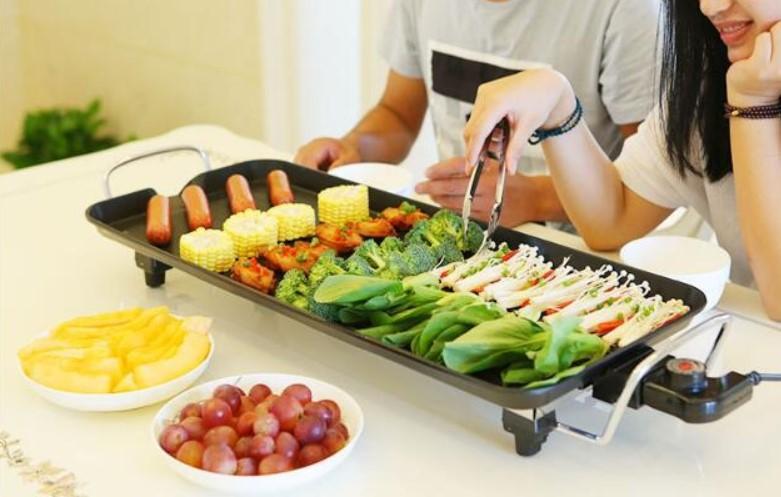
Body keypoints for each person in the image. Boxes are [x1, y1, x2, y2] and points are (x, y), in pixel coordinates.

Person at [462, 0, 781, 319]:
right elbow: (613, 221)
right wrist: (557, 103)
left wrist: (752, 103)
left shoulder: (745, 85)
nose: (711, 6)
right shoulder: (710, 88)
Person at [294, 0, 660, 227]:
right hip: (462, 236)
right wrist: (356, 149)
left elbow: (647, 181)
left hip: (583, 249)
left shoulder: (627, 9)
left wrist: (536, 198)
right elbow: (398, 114)